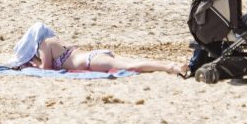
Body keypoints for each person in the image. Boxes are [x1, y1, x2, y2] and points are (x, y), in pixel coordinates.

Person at [11, 24, 181, 74]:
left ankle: (169, 67)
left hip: (90, 61)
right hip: (93, 55)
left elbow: (46, 69)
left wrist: (32, 61)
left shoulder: (44, 44)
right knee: (132, 62)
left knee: (131, 66)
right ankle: (169, 64)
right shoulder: (55, 39)